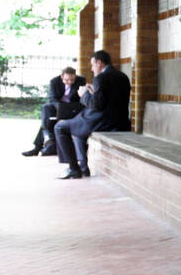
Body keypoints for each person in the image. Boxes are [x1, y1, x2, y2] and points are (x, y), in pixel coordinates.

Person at [53, 50, 131, 179]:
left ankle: (73, 168)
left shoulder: (101, 77)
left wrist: (84, 94)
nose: (92, 68)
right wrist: (93, 92)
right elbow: (110, 99)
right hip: (120, 121)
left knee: (60, 127)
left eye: (93, 65)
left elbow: (96, 105)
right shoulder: (123, 76)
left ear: (99, 63)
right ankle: (83, 167)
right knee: (77, 129)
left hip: (102, 121)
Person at [21, 67, 85, 156]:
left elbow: (82, 98)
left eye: (72, 80)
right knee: (46, 108)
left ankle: (41, 143)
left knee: (47, 120)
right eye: (67, 80)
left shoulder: (81, 80)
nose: (70, 82)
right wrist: (59, 107)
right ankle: (43, 141)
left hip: (73, 107)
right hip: (57, 106)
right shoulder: (54, 81)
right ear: (62, 76)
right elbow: (52, 98)